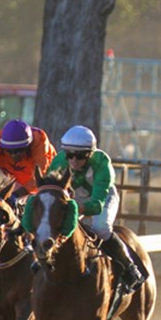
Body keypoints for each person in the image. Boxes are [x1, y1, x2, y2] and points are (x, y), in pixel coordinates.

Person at [31, 125, 145, 292]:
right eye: (70, 155)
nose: (74, 161)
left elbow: (97, 204)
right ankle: (42, 259)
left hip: (102, 197)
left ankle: (129, 267)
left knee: (101, 228)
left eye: (80, 156)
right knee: (54, 226)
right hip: (73, 199)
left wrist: (74, 206)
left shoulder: (102, 163)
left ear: (90, 154)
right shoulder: (59, 161)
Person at [0, 119, 56, 272]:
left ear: (28, 146)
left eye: (19, 151)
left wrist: (15, 196)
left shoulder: (40, 143)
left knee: (32, 206)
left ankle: (39, 249)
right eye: (10, 151)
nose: (14, 156)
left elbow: (38, 180)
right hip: (15, 180)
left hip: (47, 184)